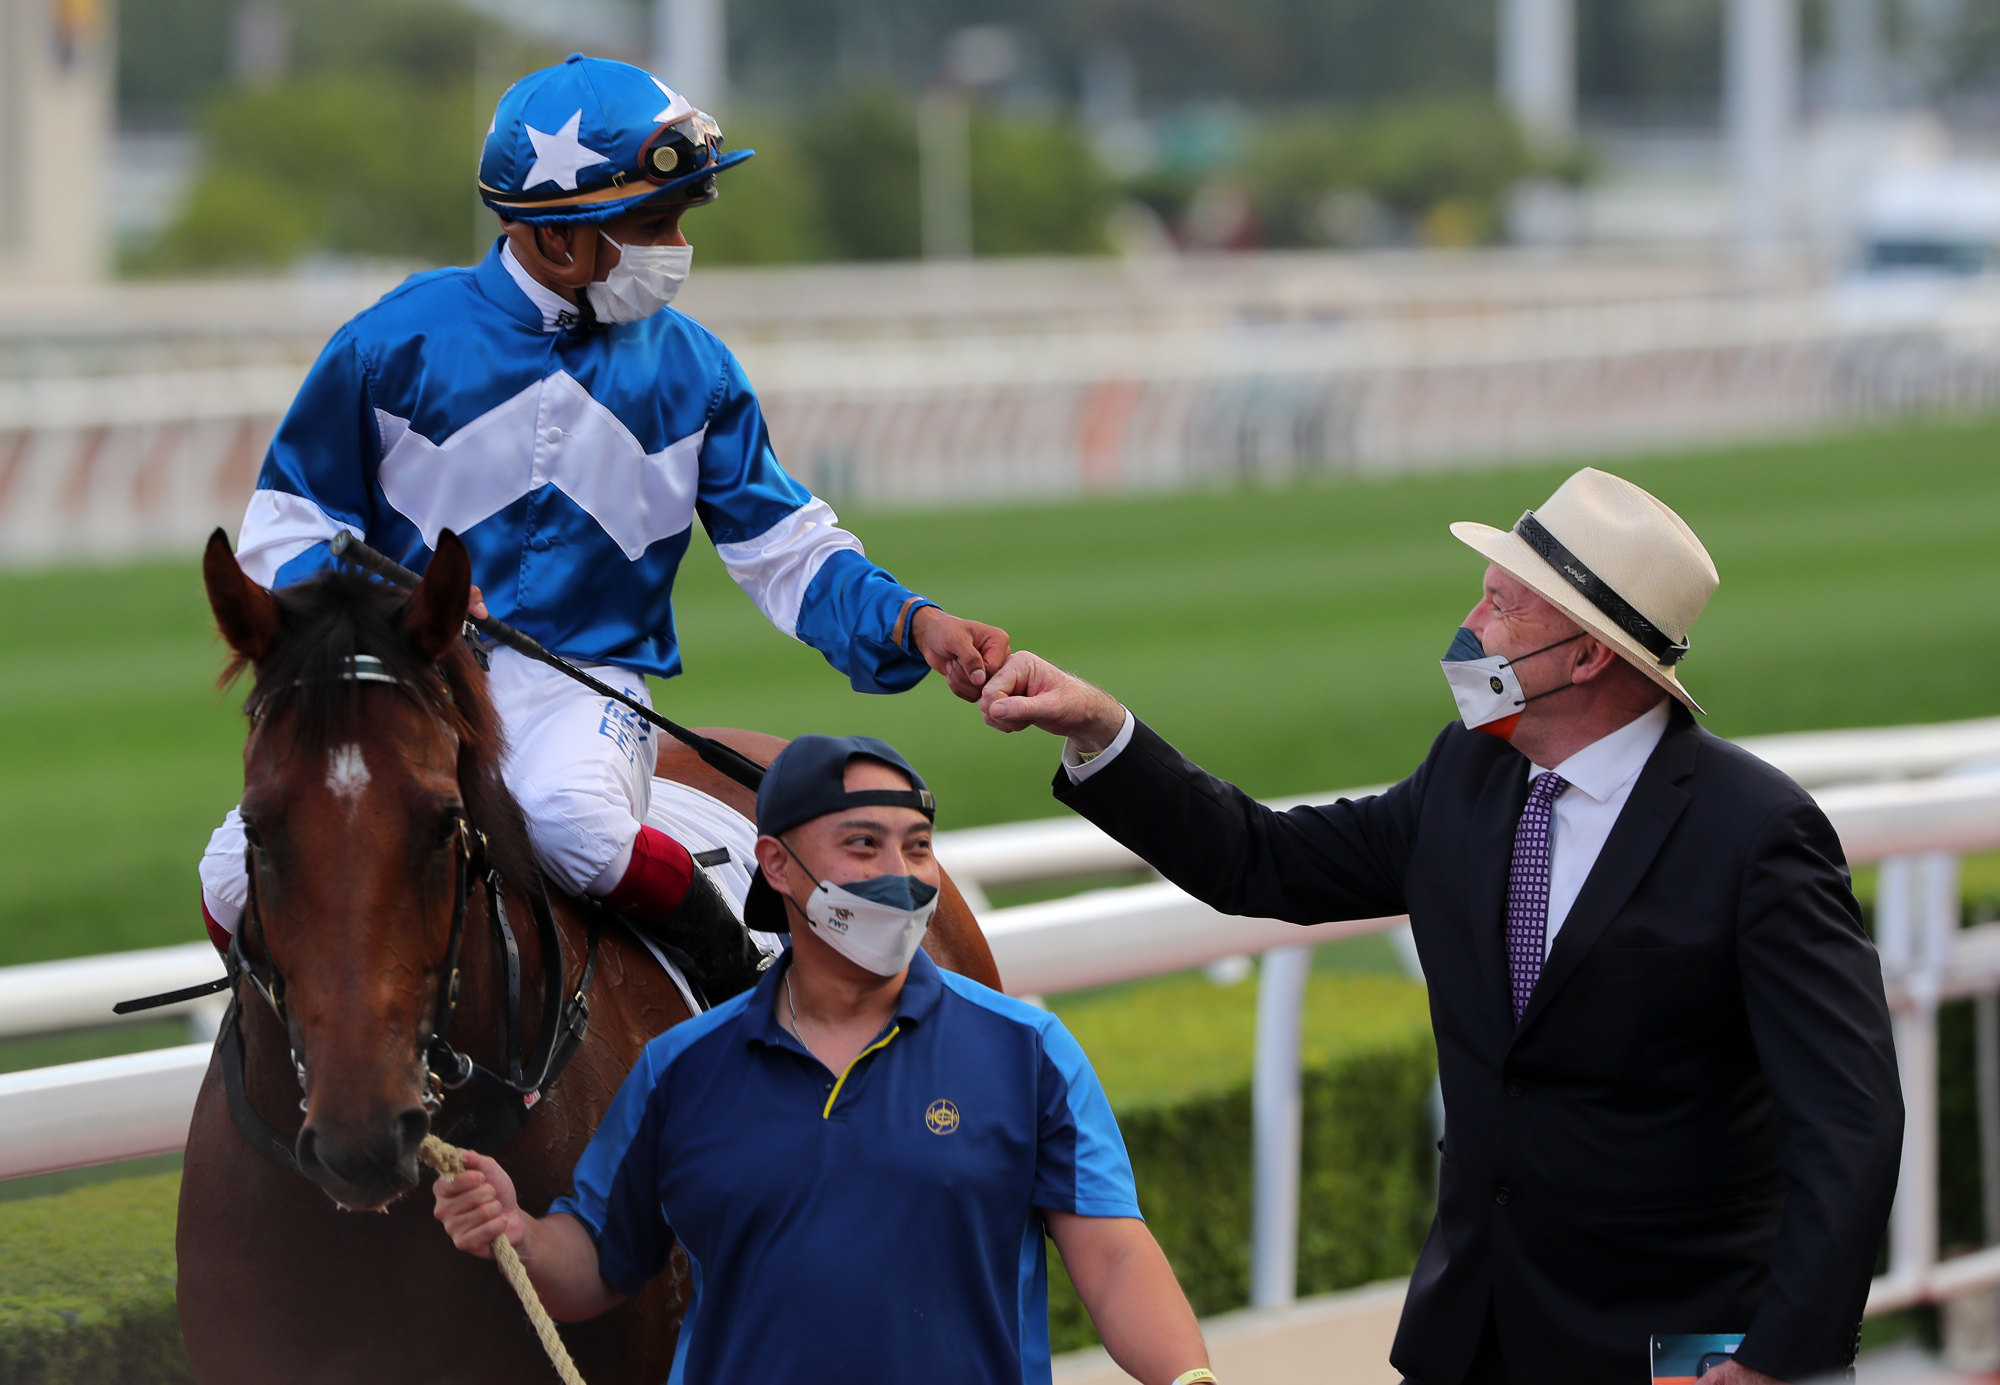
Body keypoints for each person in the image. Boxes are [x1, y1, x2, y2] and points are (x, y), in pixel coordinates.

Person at [976, 467, 1903, 1384]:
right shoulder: (1468, 772)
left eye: (1505, 608)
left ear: (1588, 656)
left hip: (1675, 1354)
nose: (1471, 627)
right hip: (1473, 1340)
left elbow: (1849, 1123)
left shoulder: (1757, 833)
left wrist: (1780, 1361)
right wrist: (1103, 733)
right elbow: (1264, 861)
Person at [194, 54, 1008, 998]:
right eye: (652, 225)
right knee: (227, 879)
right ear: (555, 238)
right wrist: (394, 602)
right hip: (410, 679)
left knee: (572, 823)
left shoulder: (696, 373)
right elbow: (287, 521)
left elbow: (790, 552)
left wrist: (913, 623)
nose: (676, 247)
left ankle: (738, 1003)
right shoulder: (391, 345)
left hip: (579, 691)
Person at [432, 734, 1215, 1385]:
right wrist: (520, 1232)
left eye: (917, 848)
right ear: (775, 864)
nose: (901, 878)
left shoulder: (1028, 1051)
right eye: (863, 845)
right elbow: (599, 1263)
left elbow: (1112, 1257)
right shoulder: (681, 1068)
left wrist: (1190, 1380)